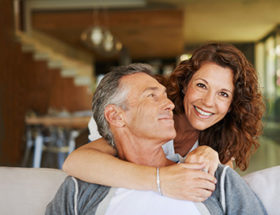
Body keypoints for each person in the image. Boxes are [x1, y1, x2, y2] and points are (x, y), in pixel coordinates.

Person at [46, 64, 267, 215]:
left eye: (165, 95)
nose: (170, 104)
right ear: (116, 116)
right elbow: (75, 161)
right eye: (152, 96)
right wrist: (160, 181)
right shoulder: (81, 188)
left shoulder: (214, 176)